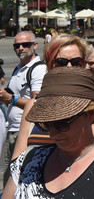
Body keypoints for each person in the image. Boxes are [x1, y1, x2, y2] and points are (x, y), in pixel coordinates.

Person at [4, 67, 94, 198]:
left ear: (91, 114)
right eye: (47, 124)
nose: (53, 133)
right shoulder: (28, 161)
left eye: (62, 123)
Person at [11, 35, 94, 161]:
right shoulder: (33, 105)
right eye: (61, 62)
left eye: (76, 62)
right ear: (49, 65)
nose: (69, 67)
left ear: (84, 64)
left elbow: (93, 158)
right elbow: (18, 158)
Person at [0, 31, 46, 188]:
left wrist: (10, 99)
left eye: (25, 44)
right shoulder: (19, 67)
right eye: (16, 45)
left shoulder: (38, 69)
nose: (20, 48)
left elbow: (37, 102)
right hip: (13, 129)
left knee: (18, 176)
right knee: (10, 175)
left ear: (35, 45)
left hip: (25, 130)